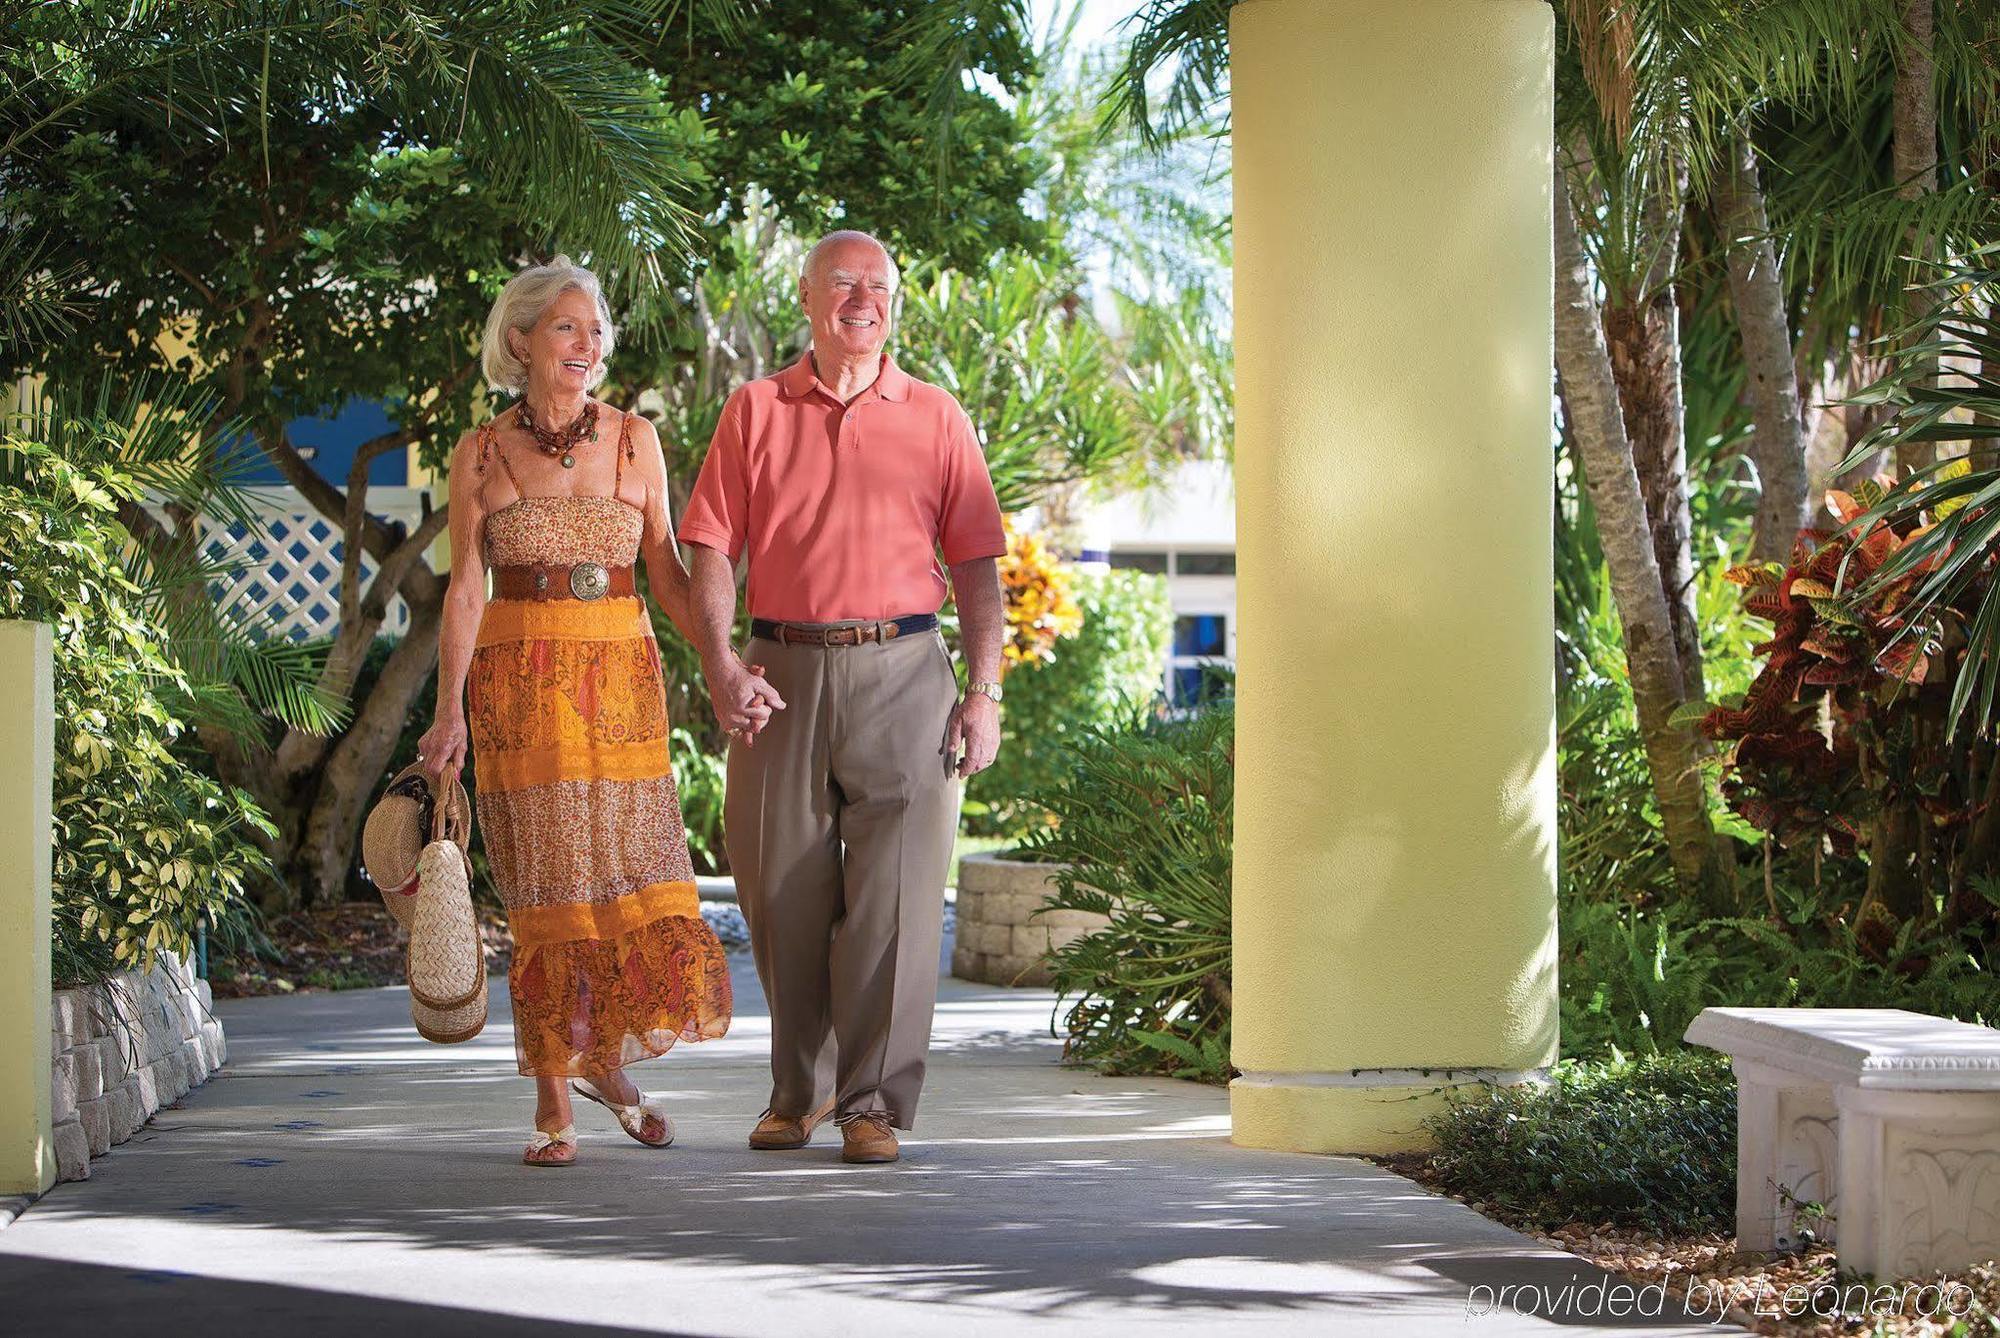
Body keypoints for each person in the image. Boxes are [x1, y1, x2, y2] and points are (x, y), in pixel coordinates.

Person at [678, 230, 1007, 1165]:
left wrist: (983, 691)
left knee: (897, 902)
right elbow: (710, 548)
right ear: (808, 295)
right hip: (780, 674)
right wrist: (721, 666)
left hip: (907, 673)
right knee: (779, 891)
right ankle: (798, 1091)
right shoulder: (755, 408)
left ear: (893, 303)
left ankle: (870, 1104)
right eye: (843, 282)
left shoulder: (937, 416)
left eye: (878, 285)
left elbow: (978, 565)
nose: (862, 298)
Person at [417, 256, 737, 1167]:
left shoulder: (637, 440)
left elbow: (669, 570)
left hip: (620, 685)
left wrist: (722, 662)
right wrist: (449, 715)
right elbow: (467, 589)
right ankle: (557, 1094)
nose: (587, 346)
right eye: (567, 329)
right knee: (546, 889)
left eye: (595, 331)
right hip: (516, 688)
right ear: (520, 342)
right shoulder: (481, 452)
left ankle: (604, 1064)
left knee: (626, 878)